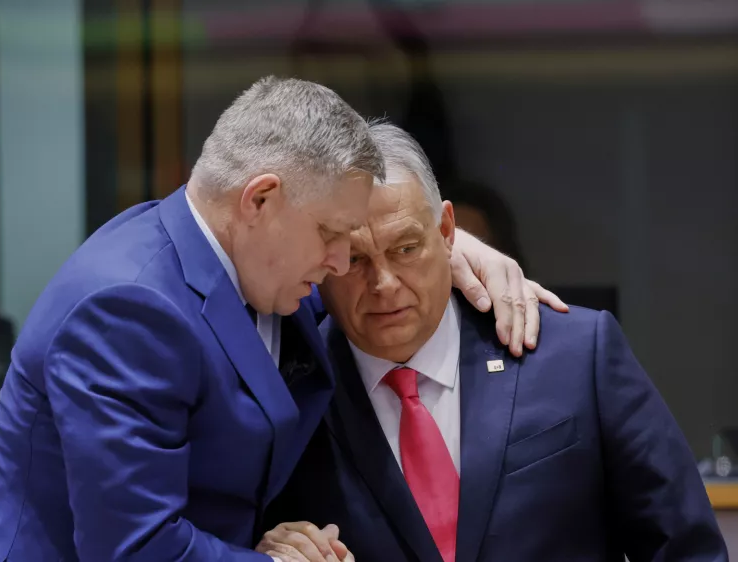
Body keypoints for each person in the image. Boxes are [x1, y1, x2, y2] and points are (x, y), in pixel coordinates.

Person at [0, 77, 561, 562]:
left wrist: (454, 251)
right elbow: (134, 549)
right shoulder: (127, 309)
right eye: (332, 234)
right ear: (260, 200)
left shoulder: (257, 263)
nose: (340, 263)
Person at [264, 122, 726, 561]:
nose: (384, 283)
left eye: (406, 249)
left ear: (447, 232)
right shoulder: (286, 392)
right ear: (321, 260)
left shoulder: (576, 354)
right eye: (355, 259)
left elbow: (687, 549)